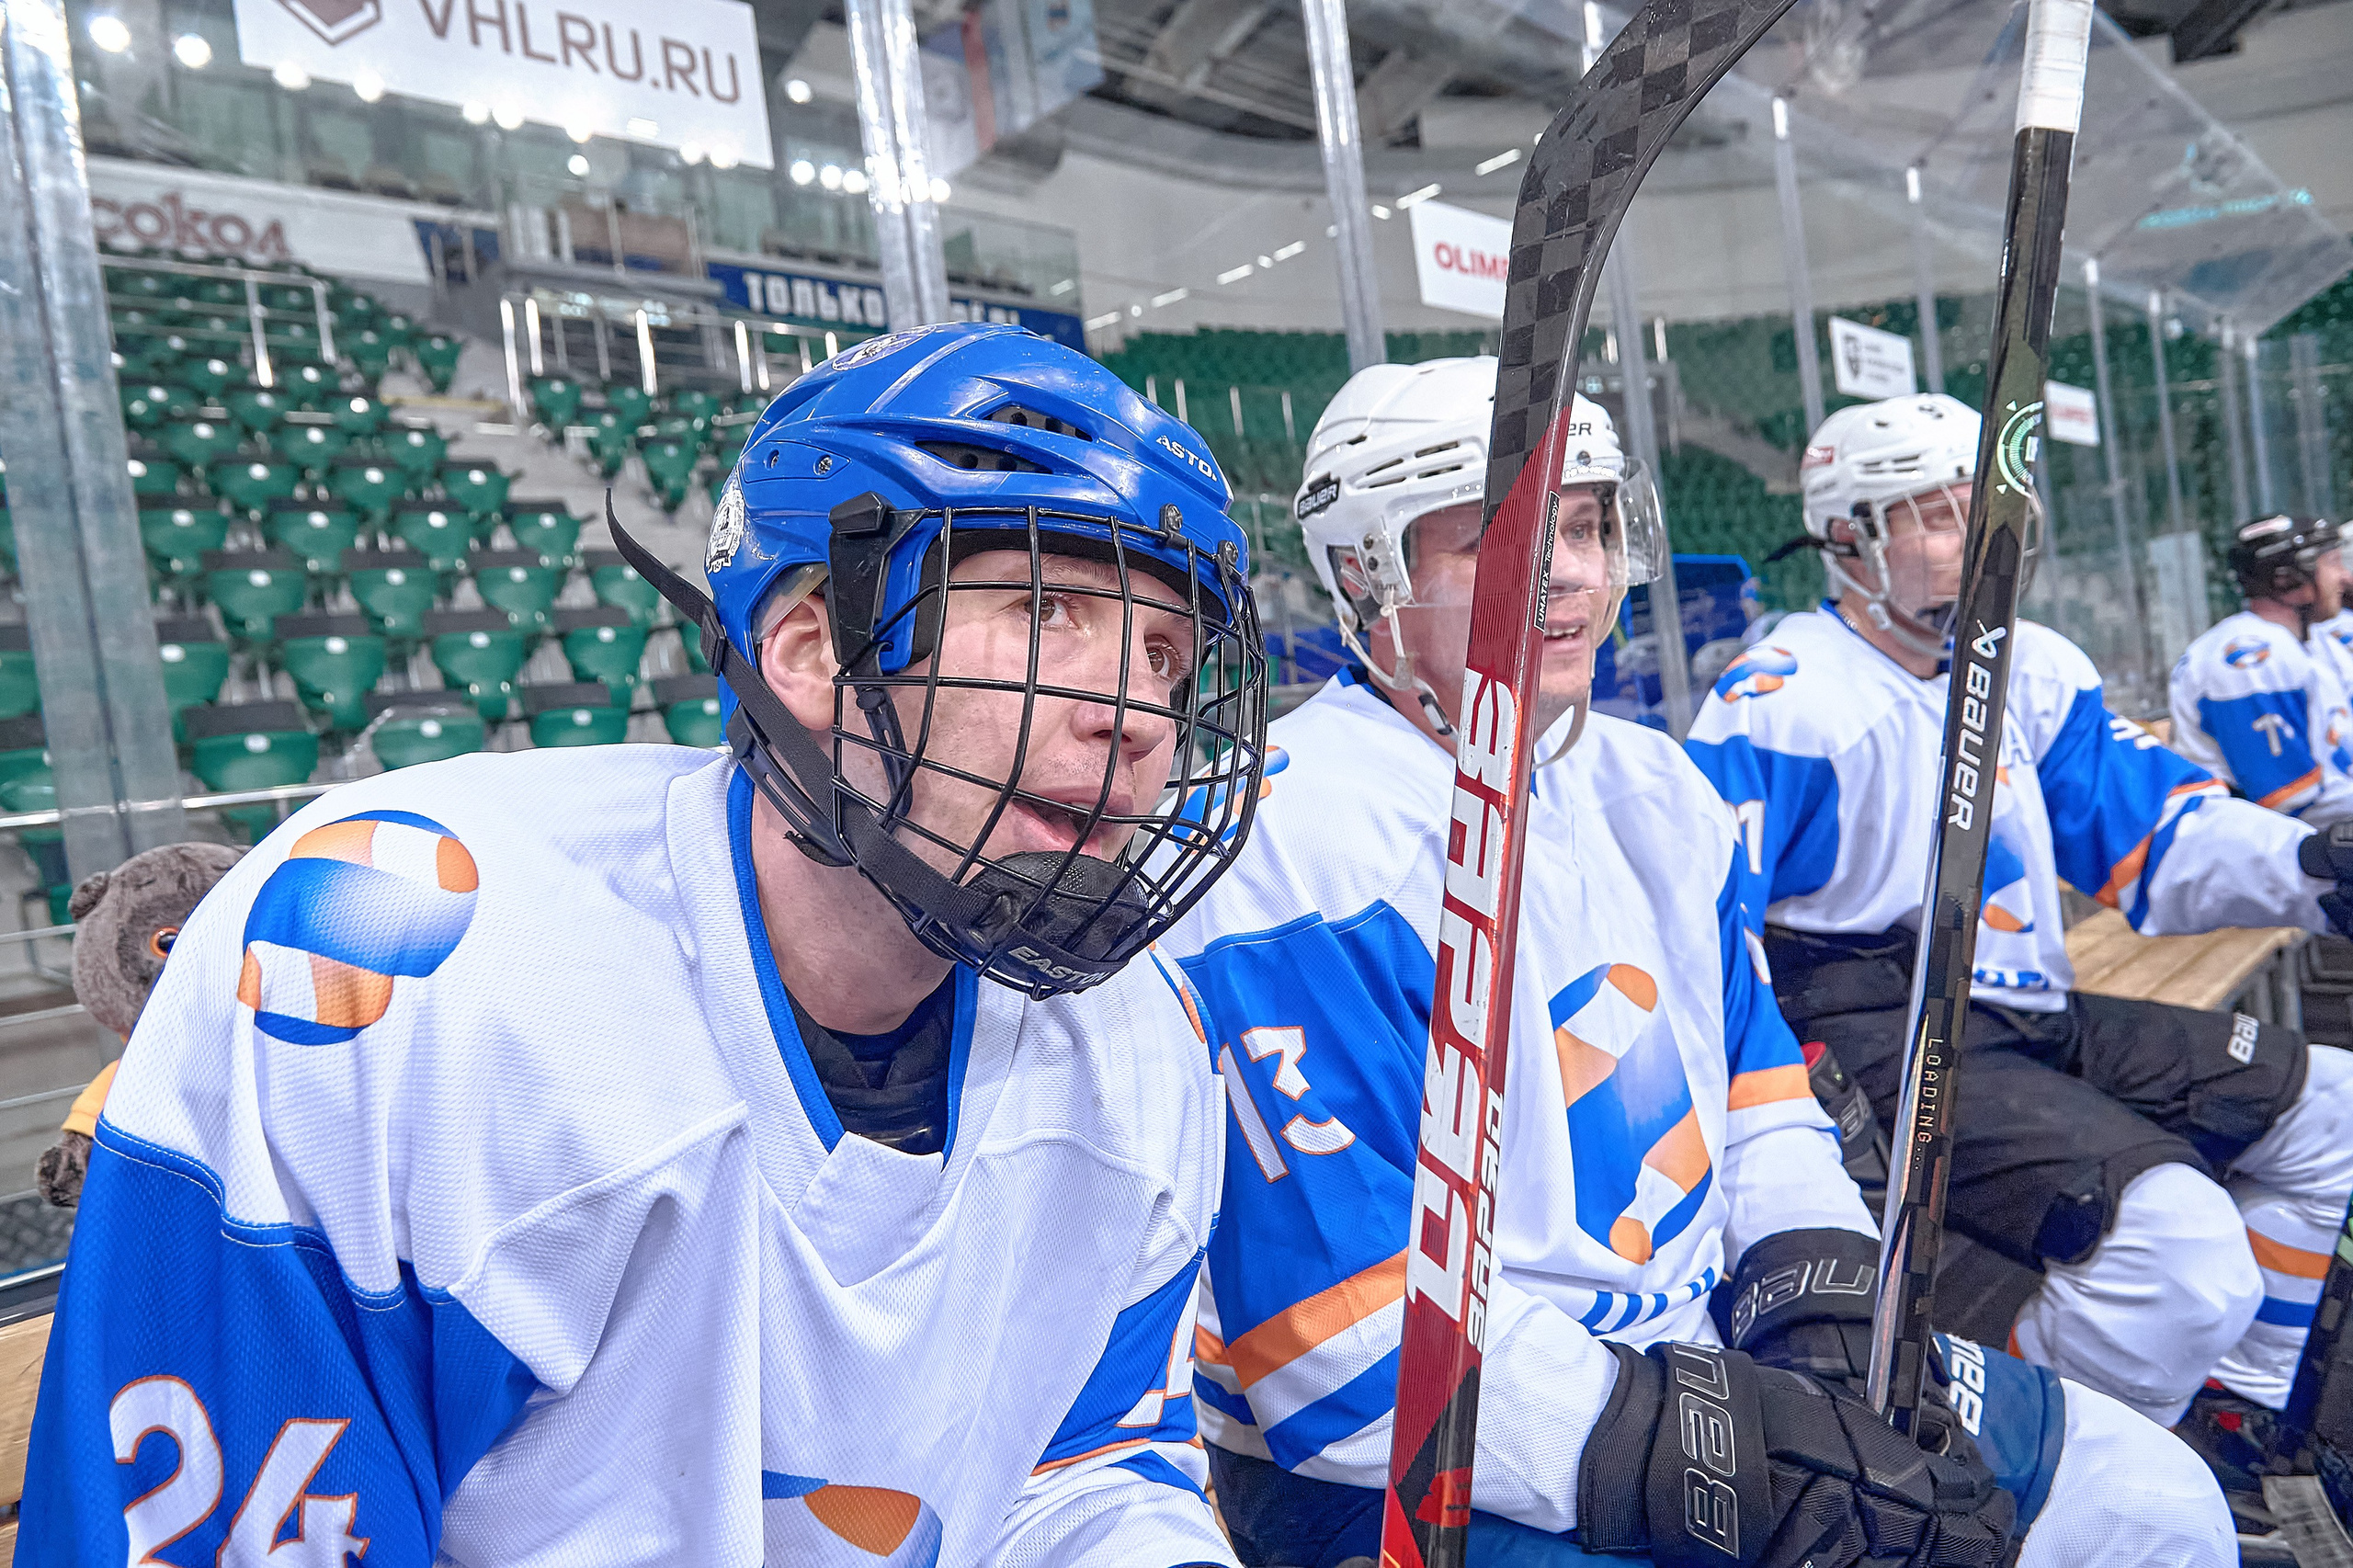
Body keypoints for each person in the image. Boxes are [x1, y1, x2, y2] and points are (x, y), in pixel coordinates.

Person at [20, 323, 1271, 1566]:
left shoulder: (1142, 1047)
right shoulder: (392, 957)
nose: (1140, 721)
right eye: (1048, 612)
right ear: (811, 652)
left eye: (1167, 657)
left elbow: (1078, 1466)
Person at [1162, 358, 2233, 1568]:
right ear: (1368, 570)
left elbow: (1761, 1105)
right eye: (1503, 539)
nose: (1567, 572)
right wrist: (1742, 1461)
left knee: (2147, 1503)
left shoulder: (1655, 786)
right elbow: (1337, 1352)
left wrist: (1815, 1295)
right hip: (1429, 1456)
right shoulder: (1287, 847)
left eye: (1587, 524)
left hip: (1706, 1346)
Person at [1684, 392, 2353, 1517]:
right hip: (1871, 1029)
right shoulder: (1787, 699)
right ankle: (2032, 1471)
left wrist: (2314, 864)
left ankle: (2226, 1413)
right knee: (2181, 1252)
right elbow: (1703, 918)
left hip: (2021, 1011)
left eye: (1989, 509)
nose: (1981, 537)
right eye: (1938, 515)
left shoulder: (2029, 664)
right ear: (1848, 536)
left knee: (2331, 1107)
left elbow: (2157, 832)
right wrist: (1768, 1092)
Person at [2169, 514, 2353, 825]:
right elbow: (2288, 801)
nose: (2345, 577)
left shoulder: (2314, 640)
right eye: (2332, 564)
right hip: (2263, 856)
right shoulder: (2245, 660)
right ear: (2286, 579)